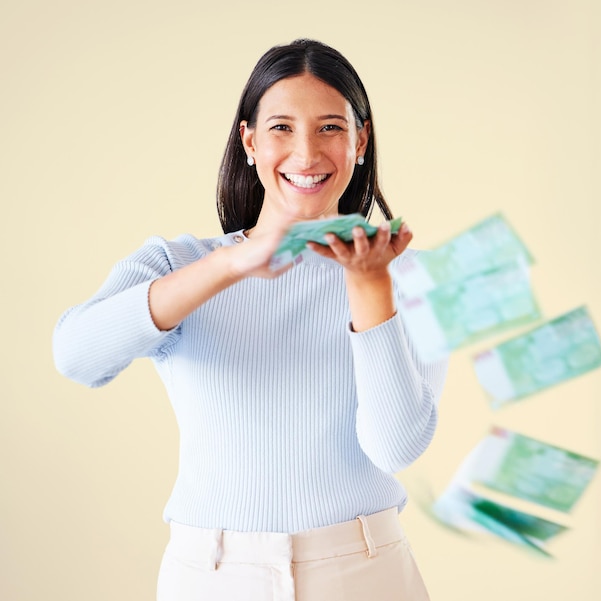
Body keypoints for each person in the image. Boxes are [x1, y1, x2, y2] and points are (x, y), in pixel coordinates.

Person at [53, 38, 448, 601]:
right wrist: (230, 264)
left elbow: (396, 446)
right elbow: (75, 356)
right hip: (210, 575)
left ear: (361, 139)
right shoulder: (178, 265)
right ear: (249, 141)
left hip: (364, 573)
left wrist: (367, 283)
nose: (307, 154)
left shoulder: (413, 277)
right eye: (282, 127)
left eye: (331, 127)